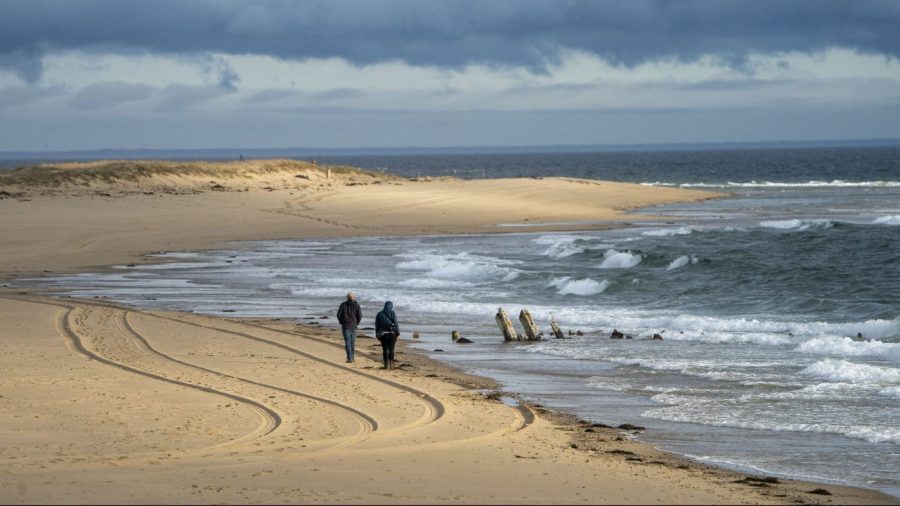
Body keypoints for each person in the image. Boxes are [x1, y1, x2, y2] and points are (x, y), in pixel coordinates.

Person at [336, 292, 362, 363]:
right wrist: (357, 323)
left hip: (346, 325)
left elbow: (338, 315)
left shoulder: (343, 305)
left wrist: (341, 322)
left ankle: (350, 358)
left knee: (347, 342)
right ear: (354, 298)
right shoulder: (357, 305)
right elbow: (359, 316)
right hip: (353, 325)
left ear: (347, 298)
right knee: (352, 342)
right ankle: (352, 358)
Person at [375, 301, 400, 369]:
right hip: (392, 334)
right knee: (391, 349)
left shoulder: (379, 314)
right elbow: (396, 323)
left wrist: (377, 335)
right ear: (391, 306)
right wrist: (398, 333)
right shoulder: (393, 313)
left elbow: (377, 326)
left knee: (385, 349)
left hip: (383, 335)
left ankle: (386, 364)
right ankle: (391, 364)